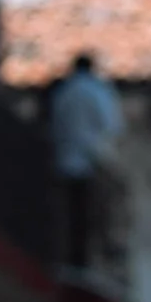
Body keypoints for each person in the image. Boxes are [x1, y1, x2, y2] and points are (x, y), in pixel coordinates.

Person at [48, 53, 123, 269]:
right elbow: (111, 125)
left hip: (66, 162)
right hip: (91, 162)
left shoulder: (64, 93)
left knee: (72, 217)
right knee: (97, 214)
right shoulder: (96, 92)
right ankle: (95, 259)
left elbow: (55, 127)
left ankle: (74, 260)